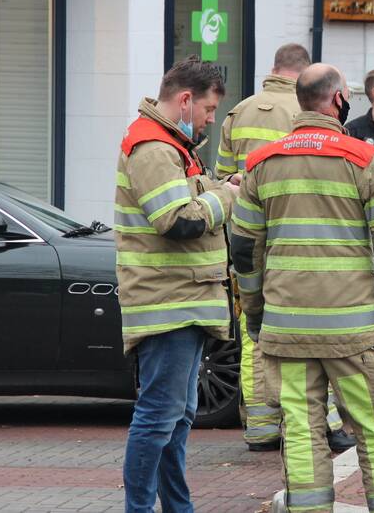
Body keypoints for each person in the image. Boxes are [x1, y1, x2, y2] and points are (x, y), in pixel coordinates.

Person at [231, 63, 374, 513]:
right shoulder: (363, 160)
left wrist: (255, 313)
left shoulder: (261, 164)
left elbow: (244, 251)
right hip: (354, 335)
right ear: (338, 100)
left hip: (287, 331)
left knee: (300, 429)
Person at [215, 43, 354, 453]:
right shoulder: (301, 114)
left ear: (274, 68)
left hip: (248, 243)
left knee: (253, 337)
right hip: (298, 240)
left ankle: (259, 425)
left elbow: (227, 181)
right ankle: (322, 424)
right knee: (310, 341)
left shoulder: (238, 112)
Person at [114, 56, 238, 513]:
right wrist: (226, 195)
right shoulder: (153, 148)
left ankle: (177, 507)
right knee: (158, 418)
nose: (211, 119)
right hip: (169, 305)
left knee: (176, 417)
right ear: (185, 100)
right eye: (208, 109)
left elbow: (187, 200)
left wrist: (214, 187)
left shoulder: (173, 146)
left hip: (182, 302)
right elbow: (176, 221)